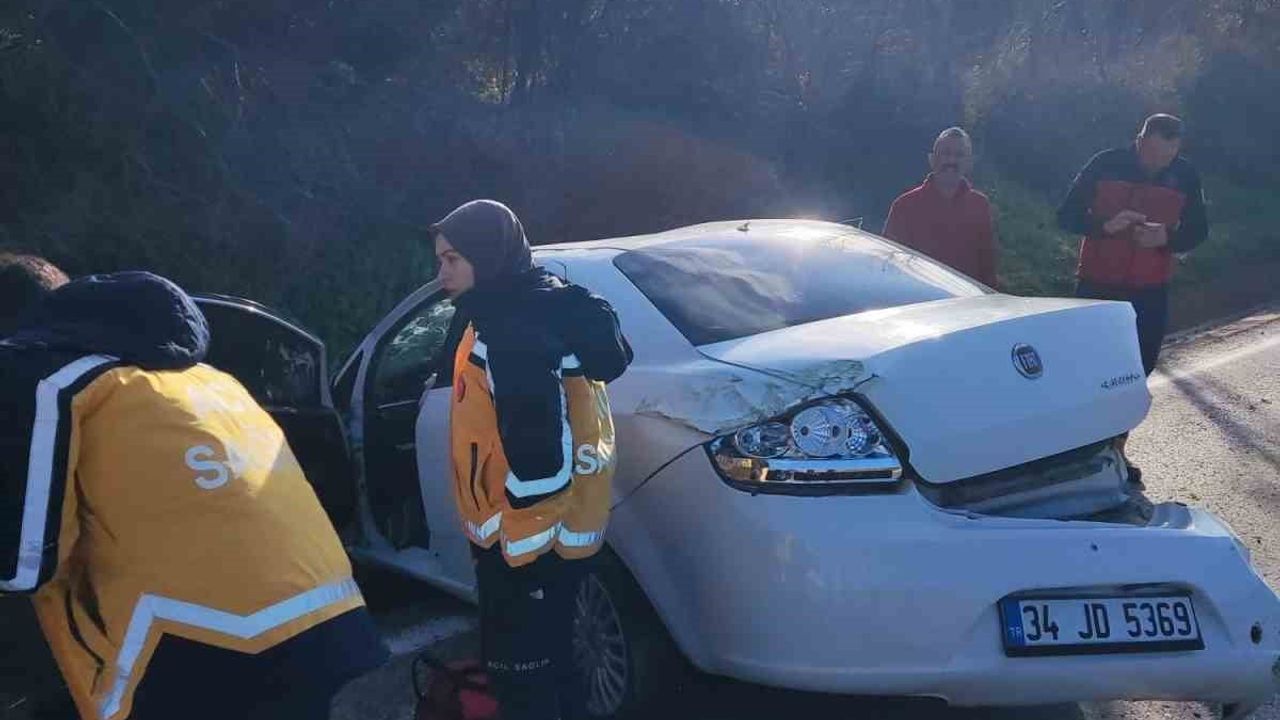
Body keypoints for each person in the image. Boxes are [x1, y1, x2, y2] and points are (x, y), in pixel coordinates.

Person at [0, 265, 387, 720]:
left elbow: (20, 562)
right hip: (339, 632)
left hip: (204, 659)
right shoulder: (213, 380)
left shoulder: (38, 378)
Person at [430, 199, 632, 720]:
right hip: (569, 536)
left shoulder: (507, 329)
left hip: (523, 547)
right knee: (560, 666)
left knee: (522, 681)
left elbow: (540, 462)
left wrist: (518, 562)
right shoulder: (549, 303)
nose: (441, 274)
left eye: (452, 259)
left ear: (486, 256)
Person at [1057, 113, 1209, 484]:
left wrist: (1167, 239)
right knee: (1090, 371)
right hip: (1098, 287)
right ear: (1139, 139)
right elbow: (1066, 215)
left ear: (1178, 151)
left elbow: (1198, 230)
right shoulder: (1105, 163)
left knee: (1136, 371)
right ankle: (1081, 450)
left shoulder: (1186, 175)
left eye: (1167, 158)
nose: (1157, 164)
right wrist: (1104, 226)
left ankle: (1115, 449)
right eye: (1152, 154)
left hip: (1149, 290)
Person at [883, 126, 999, 287]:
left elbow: (987, 266)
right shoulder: (904, 206)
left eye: (959, 155)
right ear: (931, 159)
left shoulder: (979, 205)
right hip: (922, 303)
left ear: (969, 162)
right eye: (945, 153)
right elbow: (890, 267)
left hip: (969, 305)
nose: (951, 161)